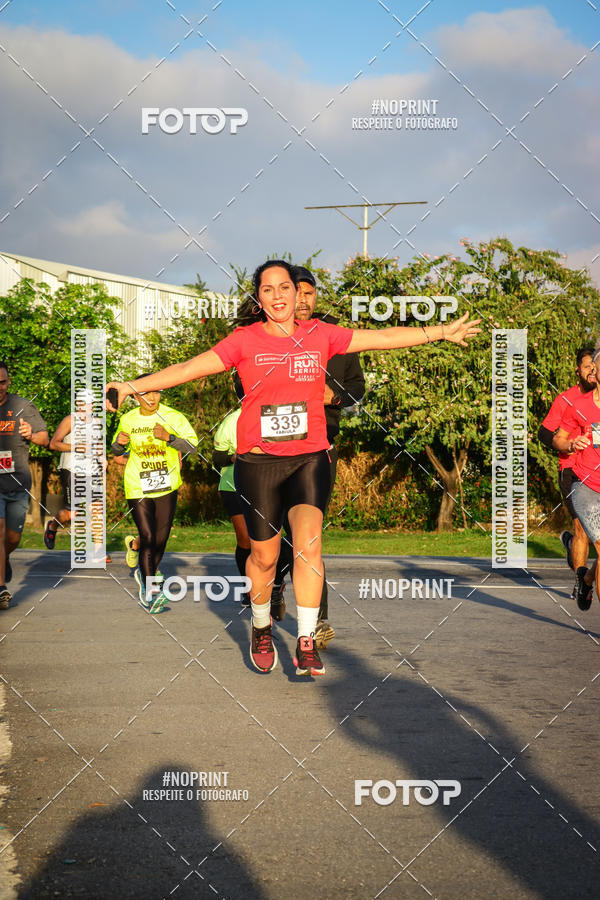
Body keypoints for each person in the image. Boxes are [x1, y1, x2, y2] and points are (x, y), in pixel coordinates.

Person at [107, 260, 480, 675]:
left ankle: (306, 640)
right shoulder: (243, 341)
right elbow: (186, 370)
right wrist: (131, 386)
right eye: (268, 289)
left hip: (309, 457)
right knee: (264, 557)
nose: (278, 295)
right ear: (259, 298)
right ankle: (261, 625)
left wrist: (441, 332)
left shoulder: (320, 334)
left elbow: (382, 338)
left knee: (308, 545)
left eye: (285, 287)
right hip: (258, 462)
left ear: (296, 292)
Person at [270, 264, 365, 648]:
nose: (304, 300)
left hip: (320, 446)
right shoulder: (268, 334)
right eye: (298, 293)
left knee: (309, 536)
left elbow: (357, 388)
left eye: (310, 293)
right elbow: (240, 383)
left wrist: (334, 396)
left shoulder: (335, 335)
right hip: (273, 450)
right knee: (277, 534)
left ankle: (318, 621)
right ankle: (276, 583)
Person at [111, 380, 198, 613]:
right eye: (145, 393)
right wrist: (119, 444)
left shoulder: (173, 417)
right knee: (147, 536)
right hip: (137, 485)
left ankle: (144, 573)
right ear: (135, 396)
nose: (151, 398)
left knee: (161, 539)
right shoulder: (128, 419)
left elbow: (193, 447)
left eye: (156, 392)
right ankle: (151, 591)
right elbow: (116, 450)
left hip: (166, 485)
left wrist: (170, 438)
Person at [538, 347, 596, 604]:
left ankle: (582, 569)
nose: (592, 371)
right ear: (578, 371)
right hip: (572, 470)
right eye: (587, 367)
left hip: (596, 470)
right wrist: (569, 444)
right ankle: (580, 583)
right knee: (582, 528)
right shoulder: (567, 400)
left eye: (594, 367)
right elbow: (544, 433)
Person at [552, 349, 600, 610]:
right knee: (594, 540)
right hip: (584, 482)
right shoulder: (576, 404)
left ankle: (586, 580)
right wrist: (571, 444)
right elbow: (554, 437)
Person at [0, 361, 49, 609]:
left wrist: (31, 434)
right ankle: (1, 589)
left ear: (8, 382)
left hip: (17, 482)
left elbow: (45, 438)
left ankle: (5, 558)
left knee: (12, 538)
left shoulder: (22, 406)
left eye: (2, 382)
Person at [44, 389, 112, 563]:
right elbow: (54, 444)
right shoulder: (70, 420)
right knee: (70, 513)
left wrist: (102, 458)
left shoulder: (96, 421)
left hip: (91, 470)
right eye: (87, 403)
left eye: (92, 403)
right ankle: (52, 526)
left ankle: (98, 552)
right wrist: (76, 447)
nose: (90, 406)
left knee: (97, 508)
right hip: (71, 470)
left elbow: (97, 443)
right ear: (79, 404)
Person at [213, 406, 251, 606]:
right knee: (245, 539)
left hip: (267, 486)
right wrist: (232, 457)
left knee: (266, 542)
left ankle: (271, 585)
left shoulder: (271, 412)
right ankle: (248, 589)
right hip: (233, 485)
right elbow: (217, 459)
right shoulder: (231, 421)